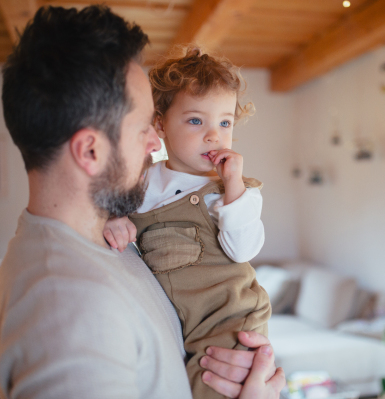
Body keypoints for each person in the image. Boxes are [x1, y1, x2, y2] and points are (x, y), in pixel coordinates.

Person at [0, 5, 285, 399]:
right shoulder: (65, 309)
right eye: (142, 127)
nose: (153, 144)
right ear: (90, 151)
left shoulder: (102, 240)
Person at [103, 47, 271, 399]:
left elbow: (243, 250)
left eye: (224, 123)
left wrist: (234, 187)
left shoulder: (233, 191)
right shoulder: (141, 183)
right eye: (196, 121)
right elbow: (101, 204)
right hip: (184, 326)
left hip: (231, 318)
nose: (214, 135)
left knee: (207, 388)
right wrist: (114, 218)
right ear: (161, 124)